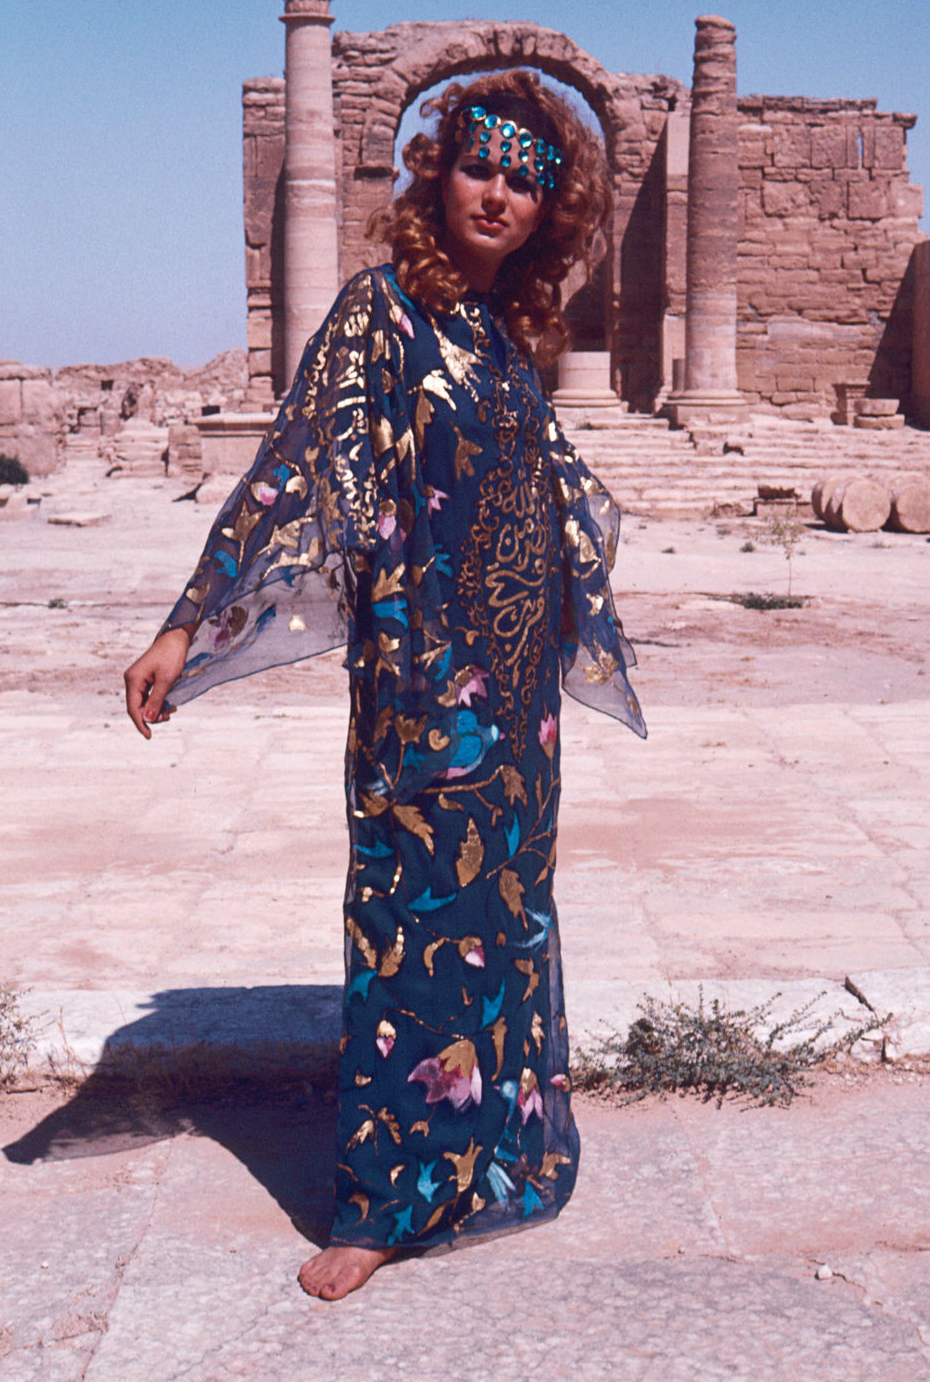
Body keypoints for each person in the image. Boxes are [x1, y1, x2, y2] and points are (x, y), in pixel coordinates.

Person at [122, 70, 645, 1301]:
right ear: (435, 173)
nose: (501, 196)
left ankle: (501, 1155)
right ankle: (383, 1199)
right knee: (405, 926)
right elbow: (290, 464)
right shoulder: (381, 313)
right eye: (482, 166)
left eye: (528, 180)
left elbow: (543, 491)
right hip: (420, 686)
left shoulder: (509, 334)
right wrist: (186, 625)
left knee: (507, 923)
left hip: (518, 697)